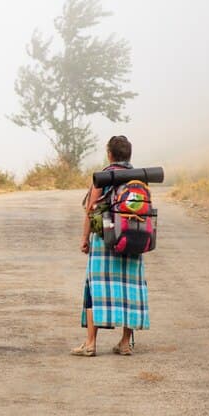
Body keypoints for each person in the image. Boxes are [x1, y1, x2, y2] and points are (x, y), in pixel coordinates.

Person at [73, 135, 150, 356]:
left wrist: (84, 239)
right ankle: (124, 343)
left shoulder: (104, 177)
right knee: (130, 290)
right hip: (133, 240)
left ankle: (90, 344)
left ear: (109, 154)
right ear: (129, 154)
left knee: (94, 290)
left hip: (105, 242)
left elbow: (90, 209)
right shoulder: (139, 179)